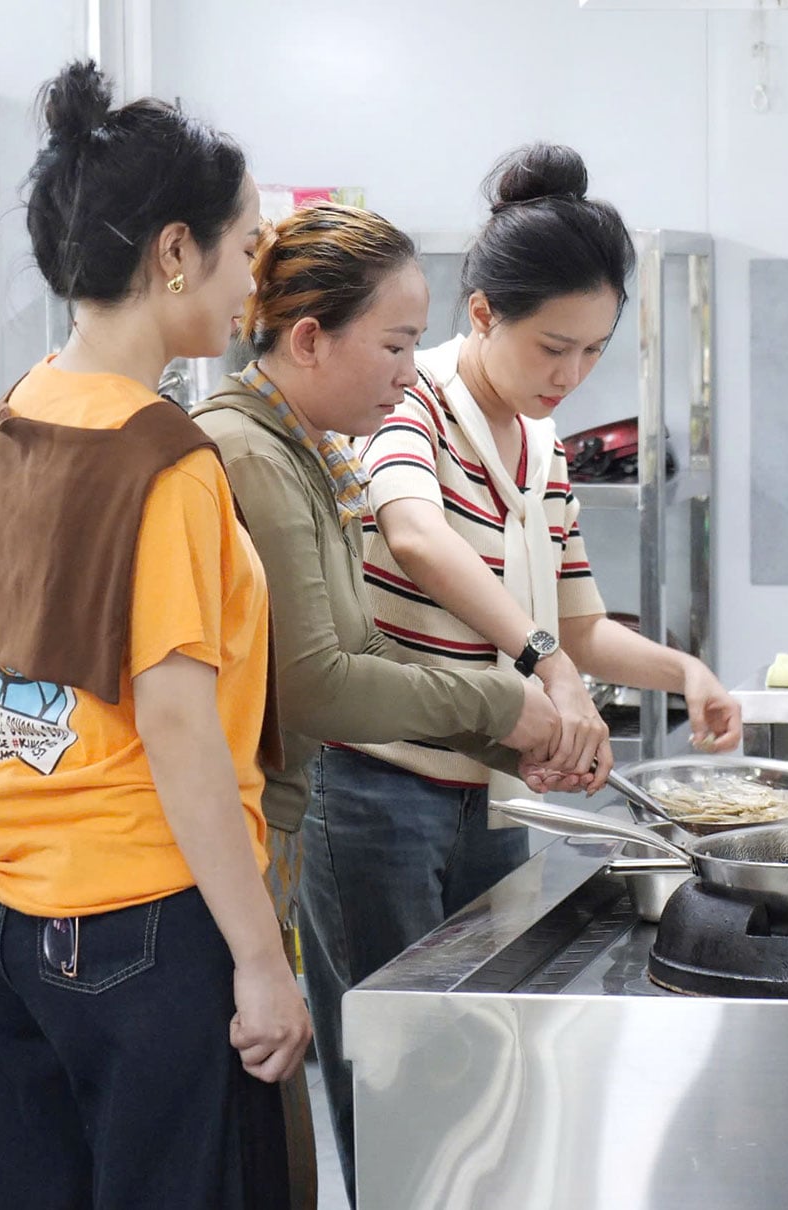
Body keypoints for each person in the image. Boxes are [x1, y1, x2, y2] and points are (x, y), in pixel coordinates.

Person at [304, 142, 746, 1190]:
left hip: (483, 796)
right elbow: (416, 536)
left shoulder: (542, 445)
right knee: (395, 1080)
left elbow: (582, 622)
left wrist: (680, 670)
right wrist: (543, 664)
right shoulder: (408, 405)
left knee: (472, 1073)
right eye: (554, 347)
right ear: (484, 313)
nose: (570, 375)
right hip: (374, 789)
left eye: (593, 353)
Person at [0, 60, 306, 1209]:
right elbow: (179, 730)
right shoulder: (164, 458)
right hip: (137, 926)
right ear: (173, 252)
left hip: (1, 912)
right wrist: (258, 957)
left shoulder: (19, 412)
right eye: (246, 248)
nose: (252, 280)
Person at [188, 201, 566, 1204]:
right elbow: (318, 682)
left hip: (277, 827)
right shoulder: (250, 455)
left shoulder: (306, 447)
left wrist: (505, 739)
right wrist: (505, 702)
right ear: (309, 339)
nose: (411, 373)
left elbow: (359, 647)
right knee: (356, 1125)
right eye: (396, 345)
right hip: (241, 846)